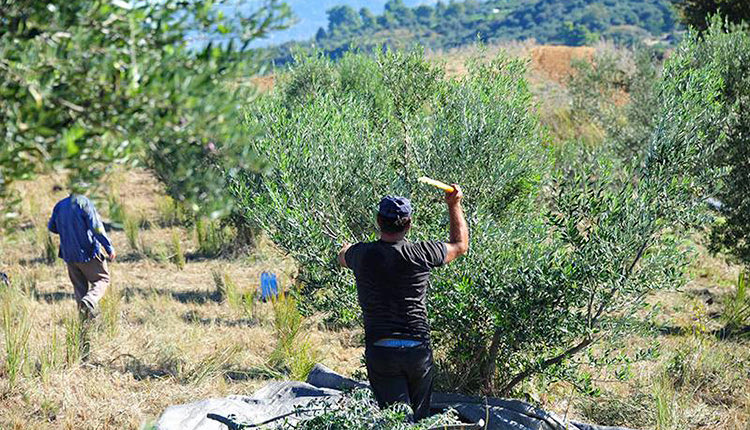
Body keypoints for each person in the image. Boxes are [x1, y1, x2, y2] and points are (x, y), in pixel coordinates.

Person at [337, 185, 469, 421]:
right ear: (409, 224)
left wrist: (347, 248)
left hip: (381, 351)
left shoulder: (362, 254)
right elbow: (460, 245)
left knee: (395, 422)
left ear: (378, 220)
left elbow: (342, 256)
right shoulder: (423, 253)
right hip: (417, 352)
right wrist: (454, 204)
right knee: (419, 421)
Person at [48, 189, 116, 318]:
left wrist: (66, 228)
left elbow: (52, 227)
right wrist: (108, 247)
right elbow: (96, 227)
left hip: (69, 254)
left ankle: (85, 324)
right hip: (88, 252)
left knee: (80, 289)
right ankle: (91, 299)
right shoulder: (85, 203)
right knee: (102, 279)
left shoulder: (60, 205)